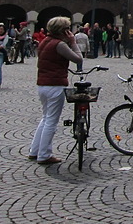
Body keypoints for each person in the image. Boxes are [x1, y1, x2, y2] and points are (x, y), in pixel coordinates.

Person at [28, 16, 83, 165]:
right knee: (51, 121)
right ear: (63, 31)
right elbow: (78, 59)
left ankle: (35, 150)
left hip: (43, 84)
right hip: (55, 84)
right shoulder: (59, 45)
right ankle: (44, 154)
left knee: (45, 118)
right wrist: (73, 42)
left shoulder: (44, 42)